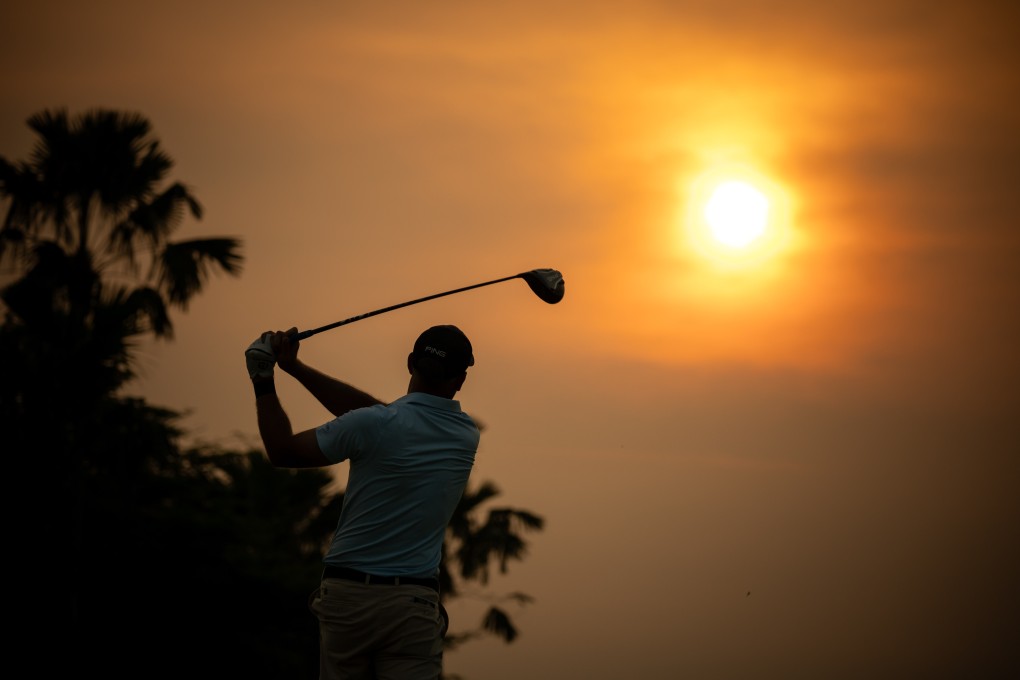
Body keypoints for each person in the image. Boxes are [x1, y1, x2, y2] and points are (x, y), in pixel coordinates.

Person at [244, 324, 481, 680]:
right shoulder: (465, 435)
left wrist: (265, 377)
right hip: (412, 605)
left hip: (347, 599)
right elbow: (383, 416)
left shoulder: (375, 424)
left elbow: (282, 451)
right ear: (460, 380)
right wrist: (296, 368)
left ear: (409, 363)